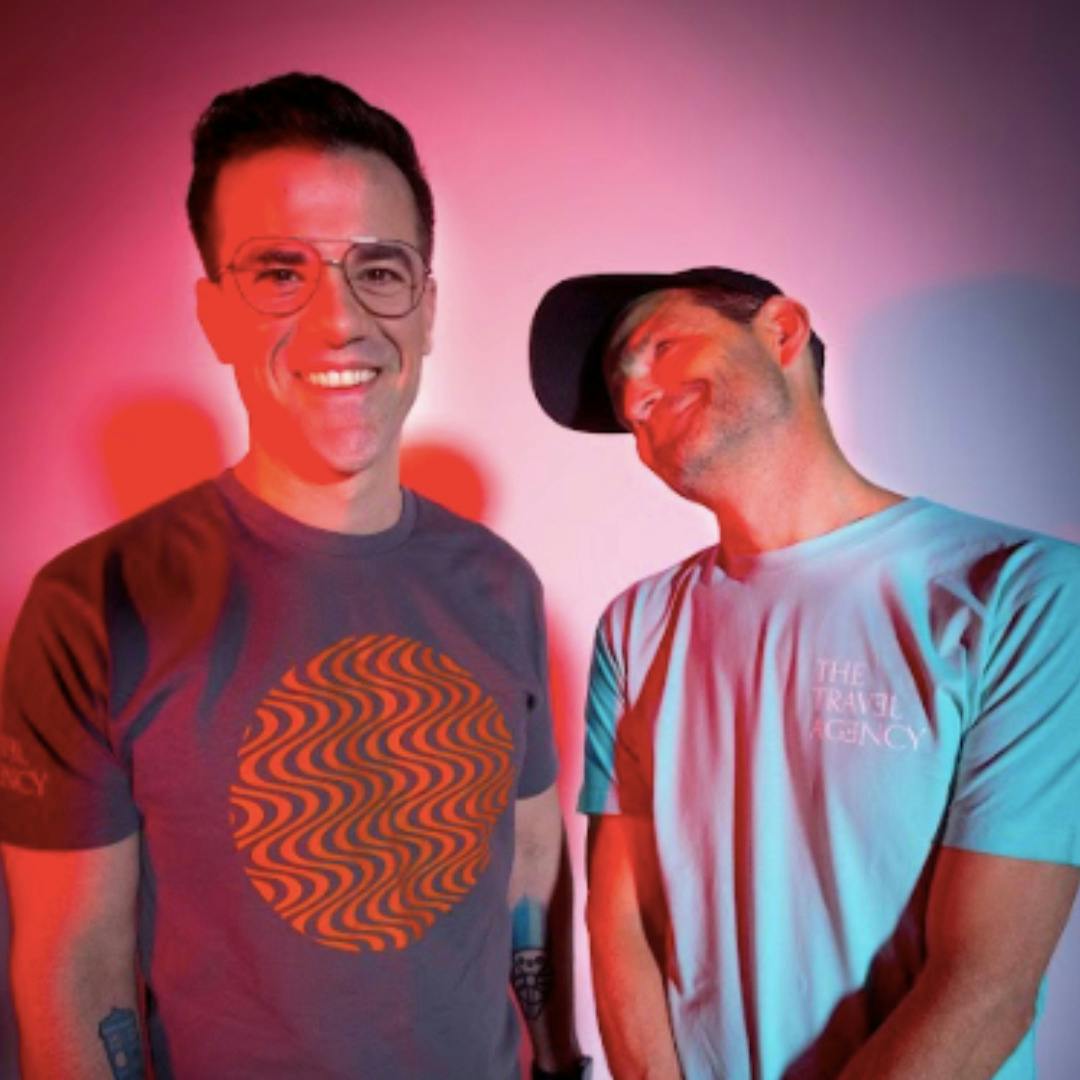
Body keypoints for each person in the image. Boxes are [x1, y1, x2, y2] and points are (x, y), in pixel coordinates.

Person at [0, 73, 589, 1080]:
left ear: (428, 309)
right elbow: (76, 969)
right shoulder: (94, 604)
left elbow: (530, 867)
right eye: (281, 272)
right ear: (214, 314)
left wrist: (560, 1061)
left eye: (380, 269)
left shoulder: (502, 585)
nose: (339, 321)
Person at [529, 266, 1080, 1078]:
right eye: (620, 390)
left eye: (661, 348)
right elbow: (621, 924)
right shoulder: (636, 625)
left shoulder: (1022, 593)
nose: (635, 394)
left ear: (782, 331)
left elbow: (988, 984)